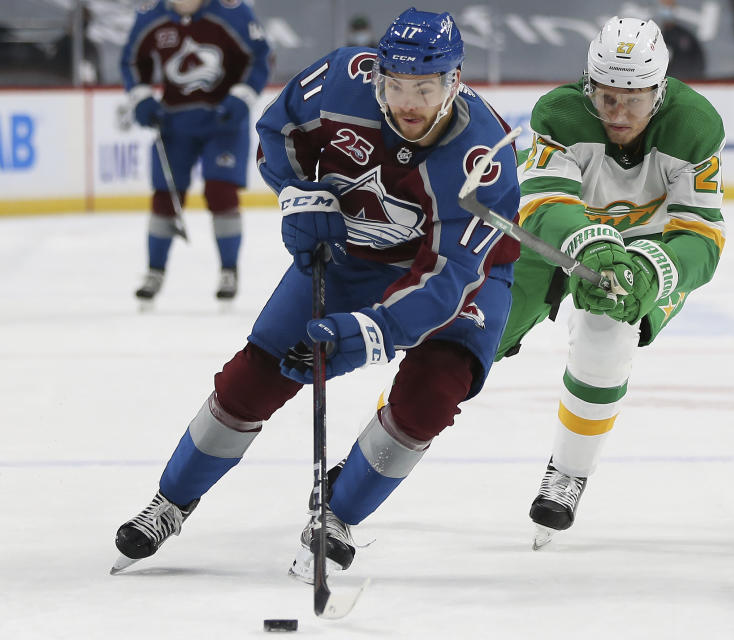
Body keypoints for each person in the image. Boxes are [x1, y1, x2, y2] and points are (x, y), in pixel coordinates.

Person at [111, 8, 521, 577]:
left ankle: (338, 515)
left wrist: (371, 333)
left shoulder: (485, 158)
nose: (408, 103)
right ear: (376, 73)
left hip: (464, 280)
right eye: (396, 85)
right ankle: (171, 501)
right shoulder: (340, 78)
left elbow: (448, 277)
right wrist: (298, 195)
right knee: (254, 375)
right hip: (351, 253)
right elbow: (276, 132)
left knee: (431, 396)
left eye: (425, 88)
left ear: (455, 81)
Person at [494, 16, 726, 549]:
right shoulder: (560, 113)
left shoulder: (694, 126)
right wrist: (594, 245)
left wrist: (650, 270)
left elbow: (702, 238)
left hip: (647, 252)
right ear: (588, 85)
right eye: (607, 98)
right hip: (561, 240)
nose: (619, 114)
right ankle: (383, 447)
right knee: (469, 340)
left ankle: (569, 472)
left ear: (660, 92)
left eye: (635, 100)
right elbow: (545, 203)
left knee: (608, 335)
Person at [120, 0, 272, 304]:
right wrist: (141, 97)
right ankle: (155, 270)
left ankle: (229, 269)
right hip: (174, 121)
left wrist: (241, 97)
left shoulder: (232, 11)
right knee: (165, 195)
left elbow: (259, 58)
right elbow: (132, 61)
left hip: (223, 120)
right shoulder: (151, 15)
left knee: (220, 191)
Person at [656, 0, 705, 81]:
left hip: (684, 81)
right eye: (664, 7)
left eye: (669, 7)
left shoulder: (686, 36)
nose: (666, 10)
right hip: (659, 84)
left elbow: (698, 61)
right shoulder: (653, 36)